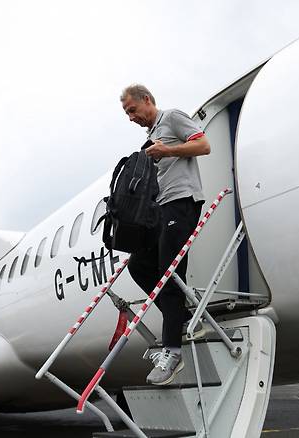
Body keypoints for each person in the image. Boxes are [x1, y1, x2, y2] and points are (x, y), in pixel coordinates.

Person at [120, 84, 210, 385]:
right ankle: (180, 317)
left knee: (169, 273)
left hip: (182, 202)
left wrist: (167, 150)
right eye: (127, 113)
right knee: (139, 266)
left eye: (132, 110)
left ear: (147, 100)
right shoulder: (149, 137)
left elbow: (203, 145)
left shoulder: (171, 117)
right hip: (160, 210)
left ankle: (173, 351)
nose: (131, 117)